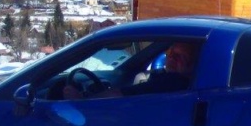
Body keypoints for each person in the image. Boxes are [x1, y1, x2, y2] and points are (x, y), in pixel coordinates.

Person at [63, 41, 199, 99]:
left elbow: (121, 94)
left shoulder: (173, 83)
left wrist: (82, 100)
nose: (171, 59)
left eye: (179, 56)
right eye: (169, 53)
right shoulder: (188, 82)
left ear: (194, 63)